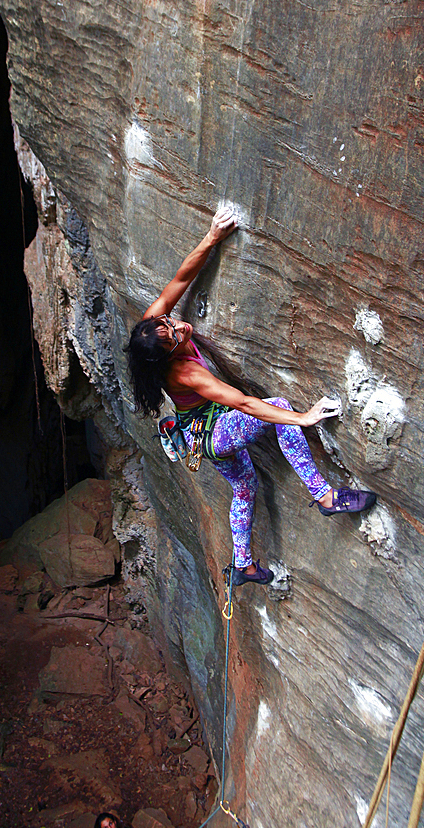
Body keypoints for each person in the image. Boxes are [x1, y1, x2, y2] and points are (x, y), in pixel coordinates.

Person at [125, 206, 376, 587]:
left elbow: (180, 278)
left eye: (170, 322)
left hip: (198, 435)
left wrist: (212, 237)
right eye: (175, 334)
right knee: (278, 409)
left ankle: (243, 565)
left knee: (244, 485)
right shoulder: (186, 373)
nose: (180, 325)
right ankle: (324, 497)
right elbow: (243, 404)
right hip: (211, 434)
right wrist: (303, 418)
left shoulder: (152, 330)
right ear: (169, 353)